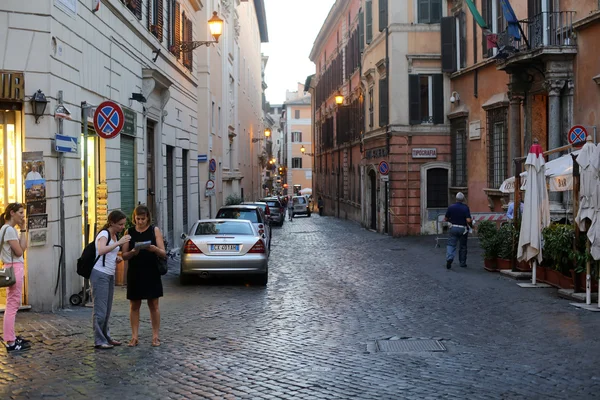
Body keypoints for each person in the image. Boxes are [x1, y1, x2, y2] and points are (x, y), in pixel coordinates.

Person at [121, 206, 166, 347]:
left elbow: (163, 253)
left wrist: (154, 249)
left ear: (148, 218)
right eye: (137, 219)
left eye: (142, 219)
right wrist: (133, 252)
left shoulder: (154, 230)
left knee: (154, 304)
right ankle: (134, 337)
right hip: (135, 272)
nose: (140, 222)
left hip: (151, 271)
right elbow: (124, 255)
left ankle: (155, 336)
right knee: (134, 305)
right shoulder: (129, 232)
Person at [90, 210, 130, 349]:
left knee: (107, 310)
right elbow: (101, 250)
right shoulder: (104, 234)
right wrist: (119, 242)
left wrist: (116, 258)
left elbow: (109, 252)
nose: (122, 227)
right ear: (112, 222)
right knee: (100, 310)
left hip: (109, 273)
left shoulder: (114, 235)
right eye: (120, 224)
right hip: (100, 274)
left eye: (123, 224)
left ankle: (106, 336)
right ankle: (99, 340)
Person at [0, 203, 30, 352]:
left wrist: (23, 228)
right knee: (12, 306)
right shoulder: (9, 230)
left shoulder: (8, 229)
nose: (22, 216)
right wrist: (22, 230)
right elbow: (19, 252)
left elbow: (22, 248)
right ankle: (10, 342)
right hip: (14, 269)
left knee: (12, 304)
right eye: (20, 213)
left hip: (11, 268)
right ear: (12, 213)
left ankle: (11, 337)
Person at [444, 192, 472, 269]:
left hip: (453, 227)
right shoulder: (465, 208)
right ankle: (462, 263)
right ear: (463, 199)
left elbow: (446, 218)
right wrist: (471, 225)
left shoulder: (451, 207)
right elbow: (468, 220)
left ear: (456, 199)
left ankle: (449, 258)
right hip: (463, 229)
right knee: (463, 246)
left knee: (451, 244)